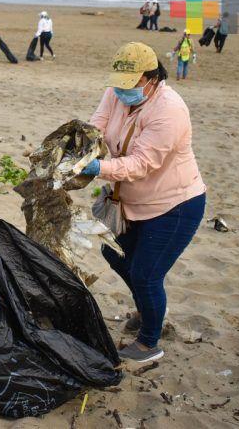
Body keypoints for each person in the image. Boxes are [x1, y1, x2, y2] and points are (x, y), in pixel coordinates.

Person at [82, 42, 206, 363]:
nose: (122, 91)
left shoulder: (169, 110)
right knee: (113, 251)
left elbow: (140, 164)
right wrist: (77, 148)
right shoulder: (116, 92)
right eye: (119, 84)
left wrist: (98, 168)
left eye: (131, 84)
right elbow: (96, 126)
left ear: (151, 77)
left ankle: (150, 342)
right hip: (125, 199)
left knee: (146, 274)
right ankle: (147, 307)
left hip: (174, 205)